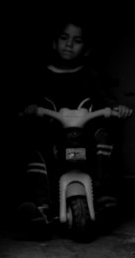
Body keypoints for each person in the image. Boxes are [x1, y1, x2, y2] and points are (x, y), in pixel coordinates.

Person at [16, 15, 132, 239]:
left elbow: (104, 98)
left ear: (86, 49)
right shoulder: (42, 75)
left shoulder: (90, 75)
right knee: (37, 152)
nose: (69, 44)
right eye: (64, 38)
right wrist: (29, 108)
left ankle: (102, 195)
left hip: (83, 134)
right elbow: (29, 99)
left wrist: (116, 108)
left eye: (77, 40)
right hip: (53, 134)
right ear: (54, 42)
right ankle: (41, 207)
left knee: (104, 138)